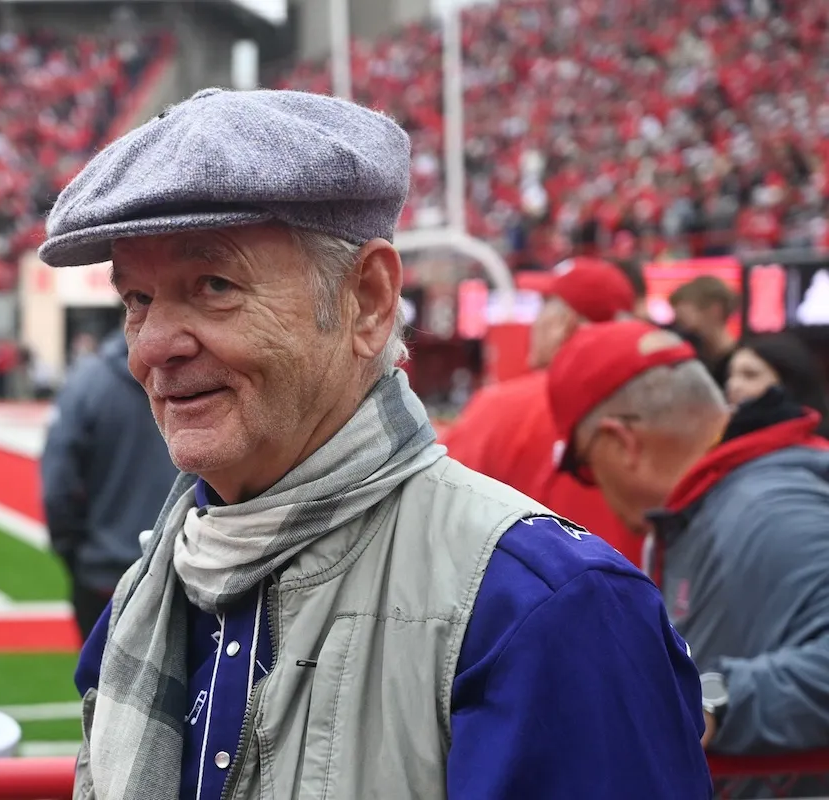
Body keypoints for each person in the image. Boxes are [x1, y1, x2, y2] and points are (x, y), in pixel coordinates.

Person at [40, 88, 711, 800]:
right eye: (137, 299)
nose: (154, 346)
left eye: (213, 284)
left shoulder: (548, 610)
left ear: (368, 299)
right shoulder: (152, 591)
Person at [548, 319, 829, 761]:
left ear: (623, 443)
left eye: (585, 466)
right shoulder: (719, 500)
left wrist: (712, 699)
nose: (594, 485)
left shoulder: (768, 509)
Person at [441, 257, 639, 556]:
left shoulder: (501, 406)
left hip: (525, 595)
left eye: (544, 306)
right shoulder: (652, 402)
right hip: (637, 594)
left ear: (564, 324)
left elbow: (440, 511)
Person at [42, 328, 178, 641]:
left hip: (102, 571)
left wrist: (71, 548)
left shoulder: (87, 383)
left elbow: (58, 486)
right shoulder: (199, 374)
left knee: (101, 685)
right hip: (178, 567)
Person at [726, 332, 829, 436]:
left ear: (789, 383)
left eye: (750, 375)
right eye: (730, 375)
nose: (733, 385)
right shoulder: (718, 436)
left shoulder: (817, 446)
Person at [669, 275, 739, 387]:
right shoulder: (692, 356)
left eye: (683, 318)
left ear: (715, 310)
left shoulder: (739, 361)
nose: (681, 327)